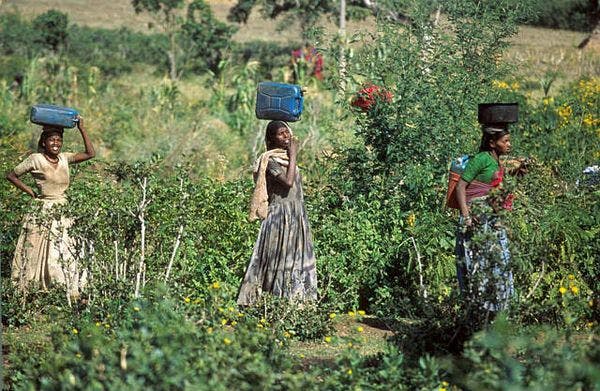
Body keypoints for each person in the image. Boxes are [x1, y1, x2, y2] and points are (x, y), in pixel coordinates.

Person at [6, 116, 95, 298]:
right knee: (37, 250)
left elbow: (90, 154)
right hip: (43, 209)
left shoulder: (64, 158)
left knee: (63, 249)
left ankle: (65, 289)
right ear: (44, 142)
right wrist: (30, 191)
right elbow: (11, 175)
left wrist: (82, 128)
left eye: (59, 140)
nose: (56, 143)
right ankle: (34, 289)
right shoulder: (36, 159)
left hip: (63, 209)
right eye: (52, 140)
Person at [237, 121, 317, 306]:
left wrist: (292, 156)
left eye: (287, 133)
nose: (286, 137)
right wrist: (295, 154)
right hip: (279, 217)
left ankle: (295, 302)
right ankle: (265, 302)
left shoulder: (287, 158)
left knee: (295, 258)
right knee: (275, 258)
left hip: (296, 214)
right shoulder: (270, 161)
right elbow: (288, 182)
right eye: (281, 134)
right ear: (272, 138)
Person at [454, 121, 524, 314]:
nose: (509, 144)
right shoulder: (482, 159)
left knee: (498, 261)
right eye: (506, 141)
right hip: (476, 219)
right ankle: (480, 313)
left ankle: (497, 313)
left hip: (491, 219)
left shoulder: (496, 161)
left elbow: (496, 186)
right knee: (478, 264)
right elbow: (461, 187)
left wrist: (519, 173)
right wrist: (466, 216)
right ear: (493, 143)